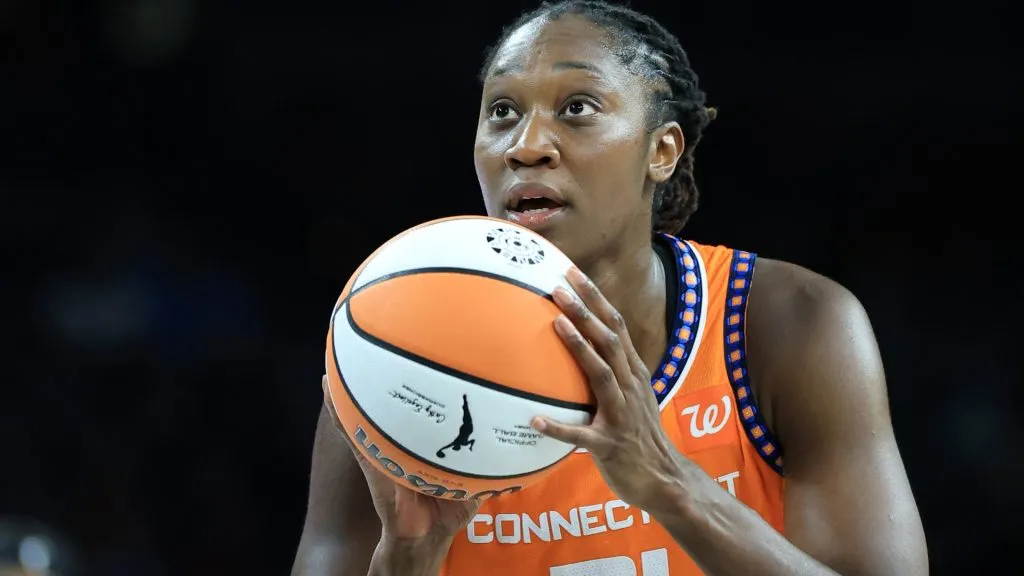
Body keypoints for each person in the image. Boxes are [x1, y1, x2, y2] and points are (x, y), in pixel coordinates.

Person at [291, 1, 928, 574]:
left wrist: (669, 484)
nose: (526, 146)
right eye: (503, 112)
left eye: (577, 108)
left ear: (662, 151)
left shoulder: (783, 324)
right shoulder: (392, 357)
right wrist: (408, 557)